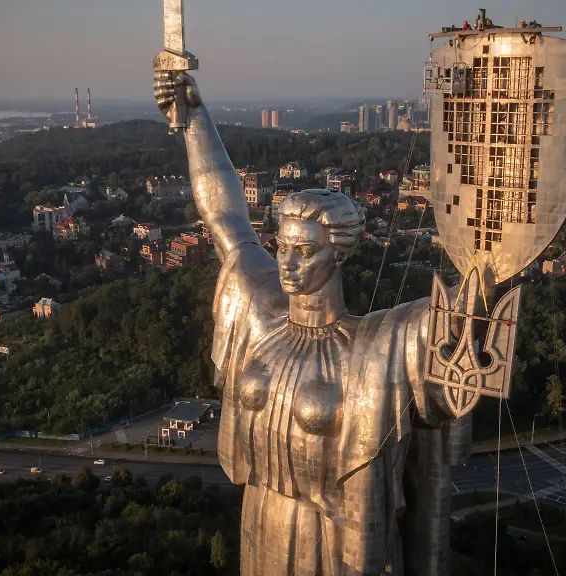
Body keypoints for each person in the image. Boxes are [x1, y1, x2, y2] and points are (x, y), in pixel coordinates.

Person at [153, 70, 472, 576]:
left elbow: (467, 310)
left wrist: (506, 236)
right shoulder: (259, 313)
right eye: (283, 247)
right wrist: (193, 119)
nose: (288, 263)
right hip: (261, 520)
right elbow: (225, 217)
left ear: (338, 255)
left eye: (306, 251)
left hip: (333, 544)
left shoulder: (374, 348)